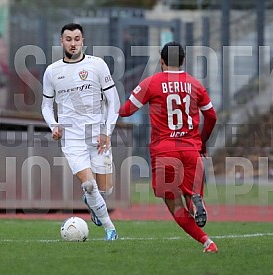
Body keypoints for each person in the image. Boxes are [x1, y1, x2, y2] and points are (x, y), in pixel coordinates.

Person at [119, 41, 218, 252]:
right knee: (189, 195)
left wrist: (107, 106)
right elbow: (211, 115)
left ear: (161, 61)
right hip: (191, 150)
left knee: (173, 204)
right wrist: (202, 142)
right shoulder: (195, 84)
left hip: (164, 151)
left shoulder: (151, 83)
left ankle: (206, 241)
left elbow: (126, 111)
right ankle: (196, 205)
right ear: (183, 60)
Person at [41, 23, 120, 241]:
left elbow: (114, 102)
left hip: (98, 136)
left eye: (77, 39)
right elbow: (46, 106)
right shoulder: (52, 72)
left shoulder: (98, 65)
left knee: (105, 189)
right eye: (68, 39)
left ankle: (92, 202)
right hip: (71, 138)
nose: (73, 43)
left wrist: (107, 131)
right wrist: (54, 125)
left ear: (83, 40)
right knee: (88, 184)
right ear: (61, 42)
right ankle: (110, 229)